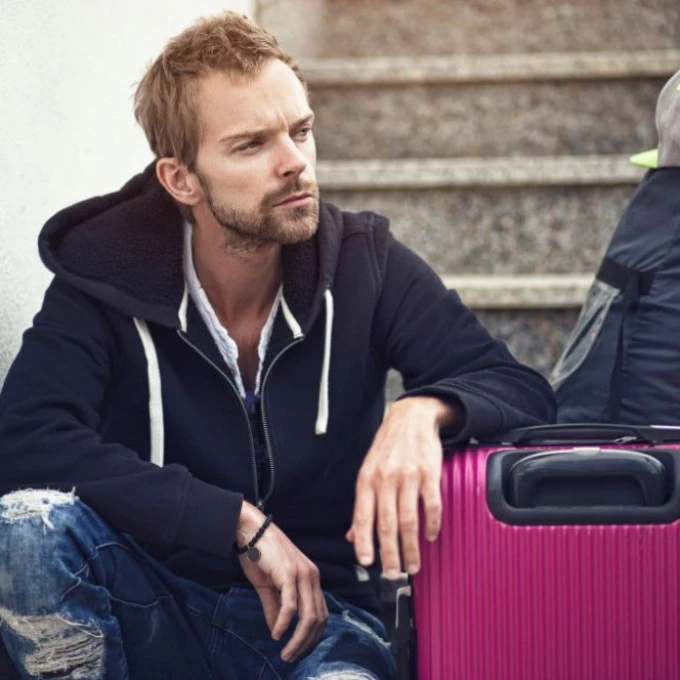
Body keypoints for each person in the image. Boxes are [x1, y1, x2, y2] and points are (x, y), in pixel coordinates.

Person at [0, 11, 555, 680]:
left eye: (301, 131)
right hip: (154, 603)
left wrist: (423, 410)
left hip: (323, 628)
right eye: (251, 145)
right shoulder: (103, 277)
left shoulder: (364, 265)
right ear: (181, 179)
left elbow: (519, 388)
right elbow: (25, 440)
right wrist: (232, 522)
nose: (294, 162)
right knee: (27, 528)